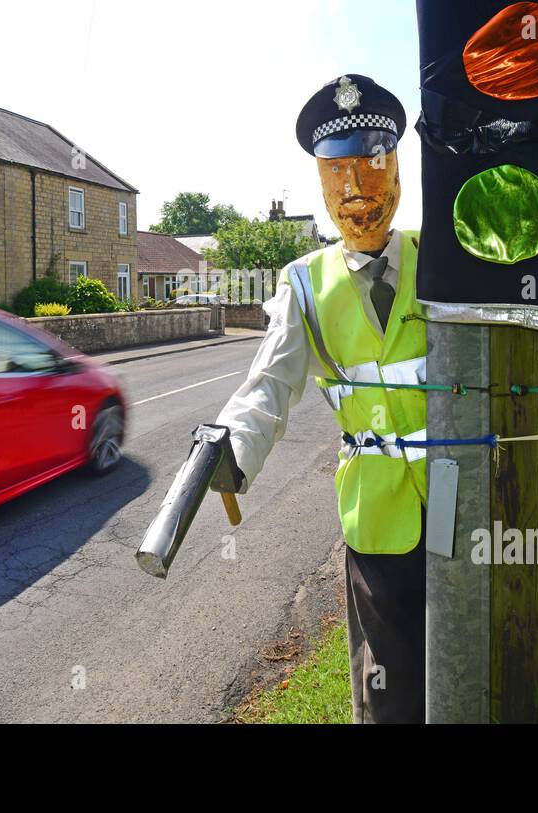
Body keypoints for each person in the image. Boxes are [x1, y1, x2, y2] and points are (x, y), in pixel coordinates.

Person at [211, 74, 428, 723]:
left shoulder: (439, 257)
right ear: (322, 183)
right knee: (389, 690)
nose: (357, 191)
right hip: (375, 515)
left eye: (371, 165)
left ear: (397, 170)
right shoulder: (305, 282)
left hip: (464, 502)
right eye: (338, 172)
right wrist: (231, 447)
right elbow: (271, 381)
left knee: (470, 665)